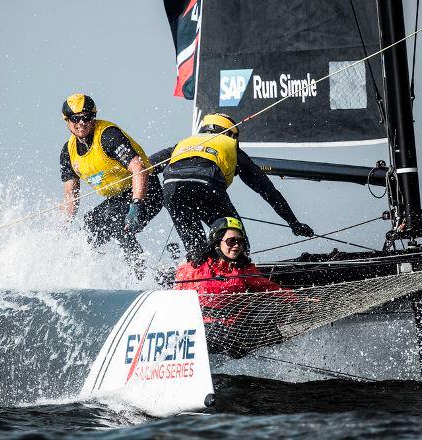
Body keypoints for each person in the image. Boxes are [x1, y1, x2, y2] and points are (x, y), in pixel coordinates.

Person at [150, 112, 314, 259]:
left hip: (171, 192)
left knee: (197, 250)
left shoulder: (182, 144)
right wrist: (293, 223)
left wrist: (147, 202)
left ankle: (196, 272)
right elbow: (269, 192)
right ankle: (240, 272)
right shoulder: (231, 147)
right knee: (236, 241)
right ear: (230, 134)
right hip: (207, 187)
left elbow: (143, 168)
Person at [59, 94, 162, 273]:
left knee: (119, 225)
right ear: (67, 120)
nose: (81, 123)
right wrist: (61, 226)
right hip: (118, 198)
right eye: (76, 119)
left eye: (86, 117)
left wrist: (137, 204)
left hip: (145, 191)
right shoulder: (68, 152)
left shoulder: (108, 136)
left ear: (94, 117)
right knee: (89, 226)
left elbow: (140, 169)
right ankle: (80, 273)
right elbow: (70, 197)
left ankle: (143, 275)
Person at [175, 217, 298, 358]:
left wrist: (299, 300)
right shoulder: (194, 268)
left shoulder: (245, 270)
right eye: (231, 241)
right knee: (216, 334)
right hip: (202, 331)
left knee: (273, 334)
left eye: (240, 241)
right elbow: (176, 297)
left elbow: (272, 290)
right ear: (217, 241)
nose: (236, 245)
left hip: (234, 332)